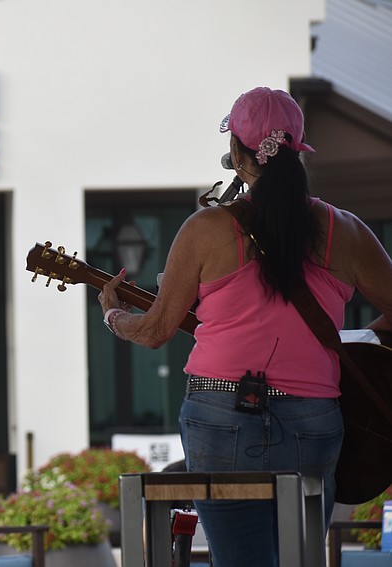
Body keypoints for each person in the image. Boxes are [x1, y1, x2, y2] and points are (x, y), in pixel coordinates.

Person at [97, 86, 392, 566]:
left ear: (236, 153)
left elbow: (154, 332)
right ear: (297, 150)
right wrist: (361, 347)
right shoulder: (347, 232)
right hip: (314, 416)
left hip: (220, 414)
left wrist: (114, 316)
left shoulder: (206, 229)